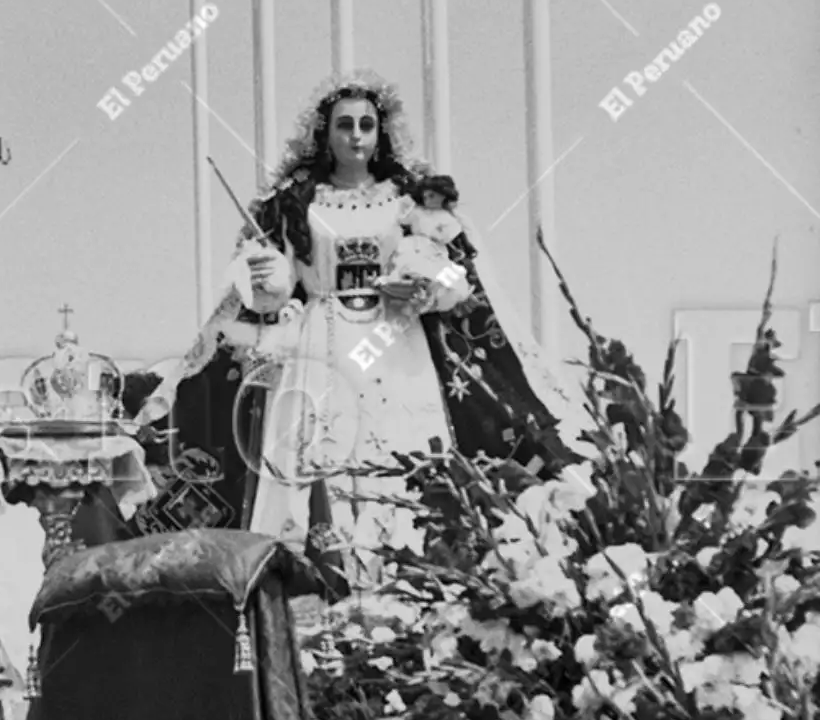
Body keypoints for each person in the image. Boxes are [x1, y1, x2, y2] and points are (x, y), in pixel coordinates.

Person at [134, 70, 591, 589]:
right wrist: (269, 279)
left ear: (381, 133)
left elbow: (455, 274)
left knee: (404, 447)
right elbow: (277, 291)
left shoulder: (410, 200)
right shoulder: (298, 202)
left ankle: (410, 569)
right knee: (316, 449)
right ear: (324, 133)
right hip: (320, 341)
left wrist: (424, 288)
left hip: (398, 343)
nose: (356, 135)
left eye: (366, 125)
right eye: (344, 124)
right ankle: (316, 575)